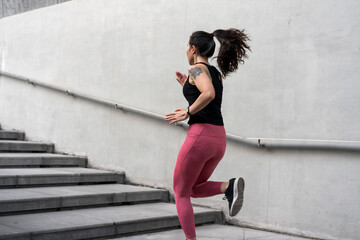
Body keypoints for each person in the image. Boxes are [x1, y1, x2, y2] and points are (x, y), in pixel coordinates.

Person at [164, 28, 251, 240]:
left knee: (181, 191)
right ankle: (228, 187)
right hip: (218, 139)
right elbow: (208, 93)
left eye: (187, 46)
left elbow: (208, 94)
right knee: (193, 188)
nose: (186, 49)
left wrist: (188, 111)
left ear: (193, 48)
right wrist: (187, 84)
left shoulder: (195, 69)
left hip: (200, 136)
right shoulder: (214, 73)